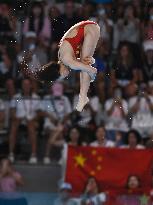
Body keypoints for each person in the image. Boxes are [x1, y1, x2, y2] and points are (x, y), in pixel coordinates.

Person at [22, 20, 100, 112]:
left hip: (90, 28)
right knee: (84, 64)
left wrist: (92, 76)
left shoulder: (69, 62)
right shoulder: (62, 59)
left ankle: (83, 97)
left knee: (85, 68)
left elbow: (93, 70)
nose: (65, 76)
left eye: (63, 76)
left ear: (59, 72)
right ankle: (83, 97)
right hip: (85, 28)